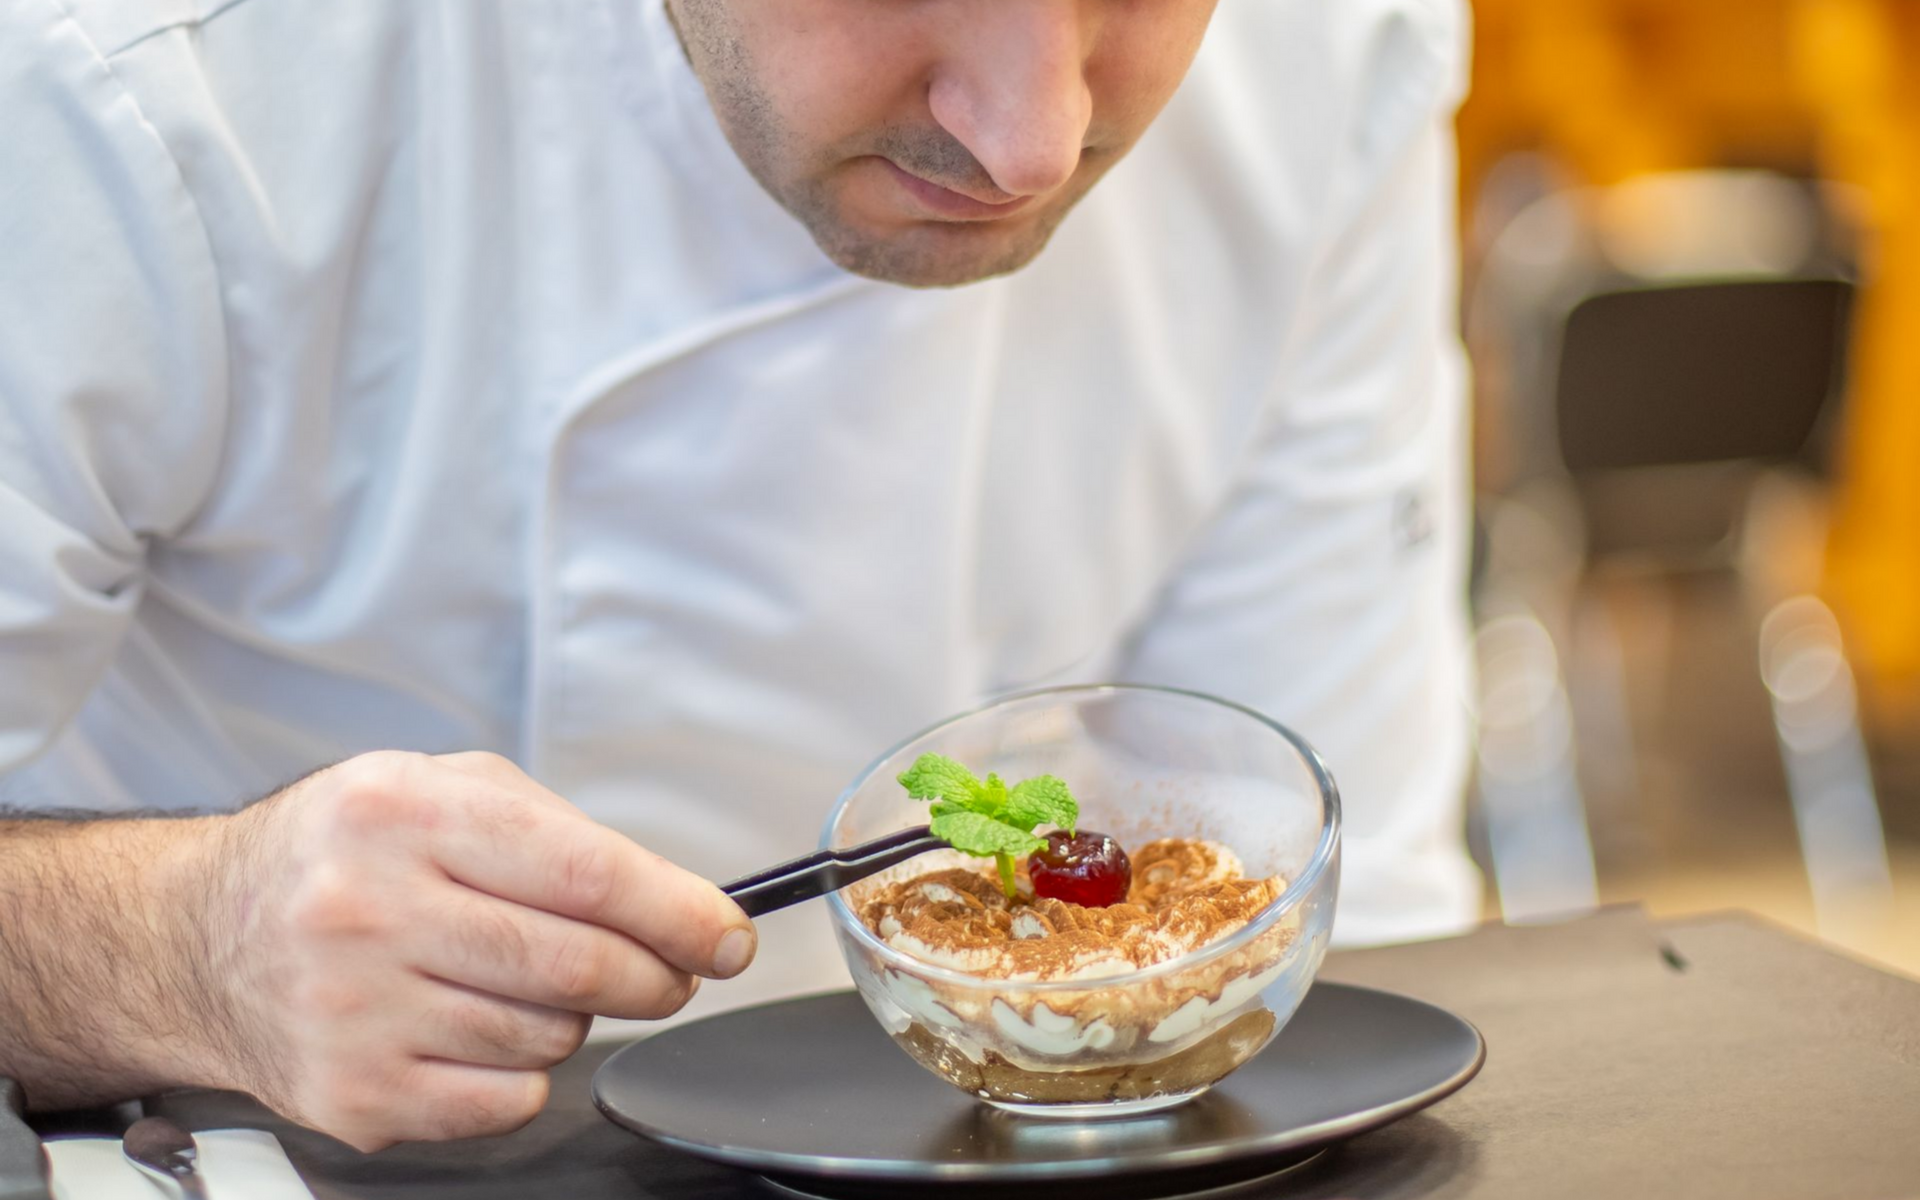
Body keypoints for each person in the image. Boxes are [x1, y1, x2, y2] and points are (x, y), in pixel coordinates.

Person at [0, 0, 1478, 1154]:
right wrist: (183, 947)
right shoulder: (134, 87)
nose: (1034, 138)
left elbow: (1345, 932)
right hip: (256, 1150)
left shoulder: (1334, 61)